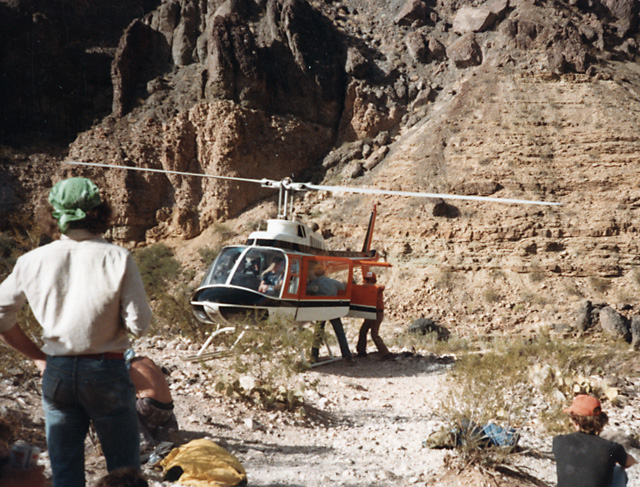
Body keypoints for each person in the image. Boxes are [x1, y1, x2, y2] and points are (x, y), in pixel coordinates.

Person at [0, 177, 152, 487]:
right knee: (124, 472)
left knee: (65, 471)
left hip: (57, 371)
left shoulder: (31, 261)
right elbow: (140, 324)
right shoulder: (117, 257)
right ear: (99, 212)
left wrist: (38, 357)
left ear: (53, 215)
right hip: (106, 368)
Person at [553, 394, 637, 487]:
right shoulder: (610, 448)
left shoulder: (559, 441)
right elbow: (630, 462)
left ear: (575, 421)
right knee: (619, 471)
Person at [128, 354, 178, 452]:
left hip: (150, 408)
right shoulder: (147, 360)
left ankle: (144, 442)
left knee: (123, 408)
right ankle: (165, 434)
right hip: (168, 410)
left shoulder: (128, 367)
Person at [307, 264, 353, 362]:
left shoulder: (314, 283)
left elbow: (307, 290)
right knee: (340, 332)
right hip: (333, 309)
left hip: (321, 310)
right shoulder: (333, 282)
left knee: (318, 333)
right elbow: (343, 287)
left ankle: (314, 356)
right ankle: (347, 355)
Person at [356, 272, 391, 360]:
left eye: (368, 279)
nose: (366, 281)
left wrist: (368, 286)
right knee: (363, 331)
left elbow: (382, 287)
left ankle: (385, 354)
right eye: (366, 279)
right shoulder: (368, 289)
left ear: (373, 280)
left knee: (374, 334)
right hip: (371, 312)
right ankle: (361, 352)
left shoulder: (376, 288)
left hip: (377, 313)